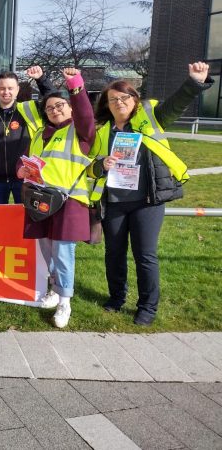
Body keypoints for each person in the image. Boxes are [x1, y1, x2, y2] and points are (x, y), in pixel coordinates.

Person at [89, 62, 212, 326]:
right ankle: (116, 297)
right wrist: (102, 165)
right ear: (107, 106)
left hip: (147, 201)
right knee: (114, 253)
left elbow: (175, 105)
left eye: (124, 97)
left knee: (145, 255)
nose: (119, 103)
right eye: (113, 100)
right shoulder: (101, 132)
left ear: (134, 100)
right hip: (114, 202)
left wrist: (194, 82)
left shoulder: (150, 117)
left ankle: (147, 307)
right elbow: (90, 166)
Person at [17, 68, 95, 328]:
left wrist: (75, 84)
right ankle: (53, 289)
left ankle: (65, 302)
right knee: (47, 250)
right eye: (49, 108)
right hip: (41, 200)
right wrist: (22, 169)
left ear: (70, 108)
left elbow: (85, 112)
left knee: (63, 253)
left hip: (69, 202)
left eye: (60, 105)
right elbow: (28, 160)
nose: (55, 110)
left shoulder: (80, 131)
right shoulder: (40, 134)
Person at [0, 67, 56, 204]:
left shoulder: (31, 110)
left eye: (10, 88)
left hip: (26, 177)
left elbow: (54, 98)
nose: (6, 92)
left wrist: (41, 79)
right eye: (2, 88)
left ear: (17, 90)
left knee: (26, 219)